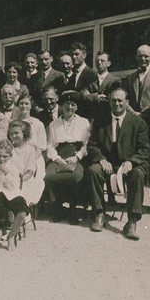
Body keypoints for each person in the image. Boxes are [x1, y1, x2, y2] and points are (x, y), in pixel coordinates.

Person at [87, 88, 149, 240]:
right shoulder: (101, 121)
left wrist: (132, 161)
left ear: (127, 103)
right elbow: (92, 145)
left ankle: (132, 221)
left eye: (120, 100)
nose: (117, 104)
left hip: (129, 162)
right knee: (93, 170)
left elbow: (145, 149)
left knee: (138, 174)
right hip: (107, 161)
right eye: (113, 100)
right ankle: (99, 214)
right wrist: (101, 159)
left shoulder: (137, 122)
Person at [122, 45, 150, 211]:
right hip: (135, 125)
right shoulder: (129, 78)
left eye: (146, 56)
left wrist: (142, 114)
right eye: (140, 56)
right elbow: (124, 99)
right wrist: (133, 113)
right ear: (136, 57)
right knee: (134, 159)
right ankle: (136, 198)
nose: (143, 59)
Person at [45, 91, 90, 224]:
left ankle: (72, 209)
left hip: (76, 156)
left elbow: (86, 145)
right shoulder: (54, 124)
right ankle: (57, 208)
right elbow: (50, 146)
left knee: (75, 176)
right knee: (49, 175)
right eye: (66, 104)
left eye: (72, 104)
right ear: (62, 105)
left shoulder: (84, 122)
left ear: (76, 107)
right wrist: (58, 160)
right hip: (59, 156)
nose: (69, 107)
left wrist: (77, 157)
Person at [8, 120, 45, 207]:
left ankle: (20, 216)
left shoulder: (30, 149)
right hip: (10, 180)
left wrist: (18, 182)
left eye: (16, 133)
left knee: (19, 198)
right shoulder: (8, 148)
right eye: (11, 134)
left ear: (24, 133)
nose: (13, 136)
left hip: (24, 181)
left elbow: (29, 172)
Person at [82, 51, 121, 119]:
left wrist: (90, 96)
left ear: (108, 63)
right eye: (97, 61)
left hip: (106, 118)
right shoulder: (89, 80)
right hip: (91, 118)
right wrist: (97, 96)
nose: (99, 63)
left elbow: (109, 99)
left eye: (102, 60)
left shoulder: (115, 81)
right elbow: (83, 97)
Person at [69, 42, 99, 118]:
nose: (74, 57)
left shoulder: (92, 73)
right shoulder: (73, 75)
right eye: (72, 55)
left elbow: (92, 97)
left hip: (87, 115)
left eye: (77, 54)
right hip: (73, 115)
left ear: (84, 55)